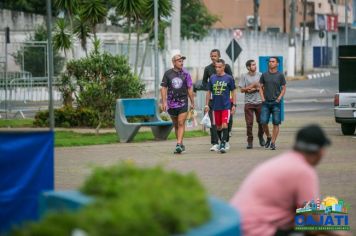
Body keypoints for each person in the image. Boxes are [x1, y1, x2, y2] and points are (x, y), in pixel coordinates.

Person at [230, 124, 334, 236]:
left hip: (236, 223)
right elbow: (312, 217)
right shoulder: (303, 171)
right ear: (319, 151)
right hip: (254, 230)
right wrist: (337, 233)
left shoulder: (284, 160)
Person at [161, 54, 195, 154]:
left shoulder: (186, 74)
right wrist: (163, 101)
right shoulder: (168, 74)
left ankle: (178, 144)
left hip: (183, 102)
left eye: (182, 61)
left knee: (181, 123)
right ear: (174, 62)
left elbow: (189, 88)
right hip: (171, 104)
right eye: (179, 61)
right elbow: (163, 87)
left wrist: (192, 102)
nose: (181, 62)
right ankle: (180, 143)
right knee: (176, 125)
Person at [202, 49, 234, 151]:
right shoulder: (208, 69)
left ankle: (225, 141)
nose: (213, 57)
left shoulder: (226, 67)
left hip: (225, 100)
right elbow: (204, 82)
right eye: (211, 56)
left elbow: (231, 83)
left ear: (219, 56)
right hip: (213, 100)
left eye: (215, 56)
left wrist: (233, 102)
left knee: (227, 123)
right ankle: (215, 143)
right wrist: (208, 90)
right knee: (214, 124)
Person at [259, 56, 286, 150]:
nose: (271, 63)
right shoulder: (264, 75)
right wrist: (262, 97)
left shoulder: (280, 75)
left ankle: (273, 143)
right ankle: (269, 136)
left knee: (276, 123)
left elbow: (283, 88)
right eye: (270, 61)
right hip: (265, 102)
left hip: (276, 103)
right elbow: (260, 87)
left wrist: (279, 98)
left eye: (273, 61)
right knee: (263, 122)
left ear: (277, 63)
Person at [239, 59, 265, 149]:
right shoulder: (244, 76)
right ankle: (250, 141)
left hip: (259, 102)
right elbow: (242, 90)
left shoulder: (260, 75)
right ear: (248, 67)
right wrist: (252, 86)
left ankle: (261, 136)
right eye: (253, 65)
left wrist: (254, 89)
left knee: (261, 122)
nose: (255, 66)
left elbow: (263, 87)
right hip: (248, 103)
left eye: (255, 64)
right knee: (249, 123)